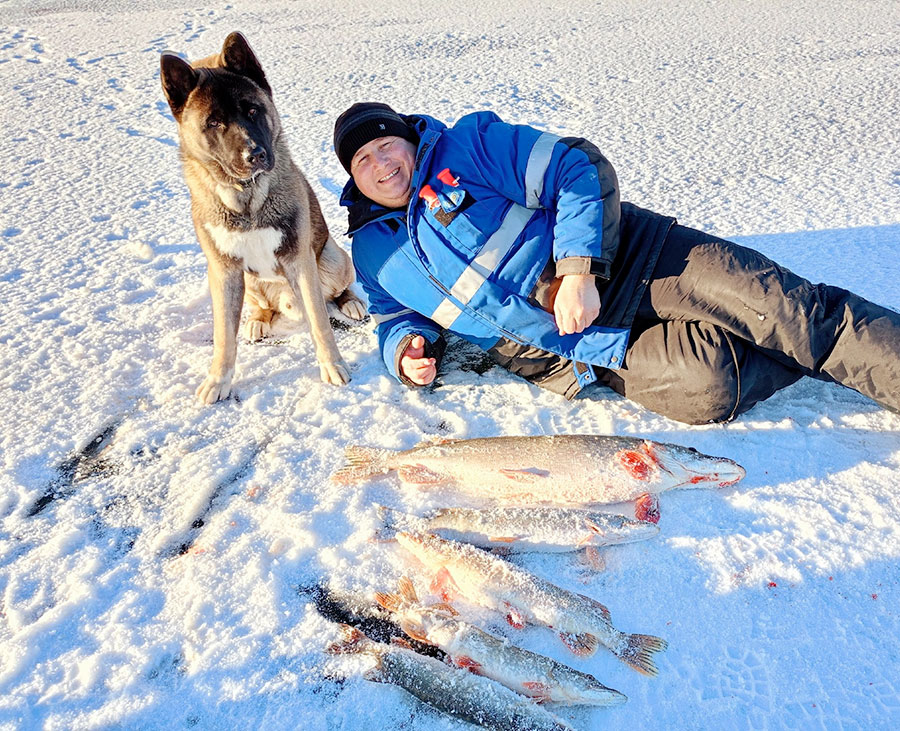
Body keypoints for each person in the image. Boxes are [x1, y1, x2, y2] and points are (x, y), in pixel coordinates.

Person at [332, 102, 900, 424]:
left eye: (388, 146)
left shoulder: (468, 146)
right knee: (711, 392)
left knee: (791, 314)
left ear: (409, 140)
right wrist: (403, 349)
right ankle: (780, 341)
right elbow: (390, 314)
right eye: (363, 159)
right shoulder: (372, 250)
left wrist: (579, 270)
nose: (382, 164)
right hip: (576, 350)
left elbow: (576, 167)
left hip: (639, 257)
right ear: (353, 178)